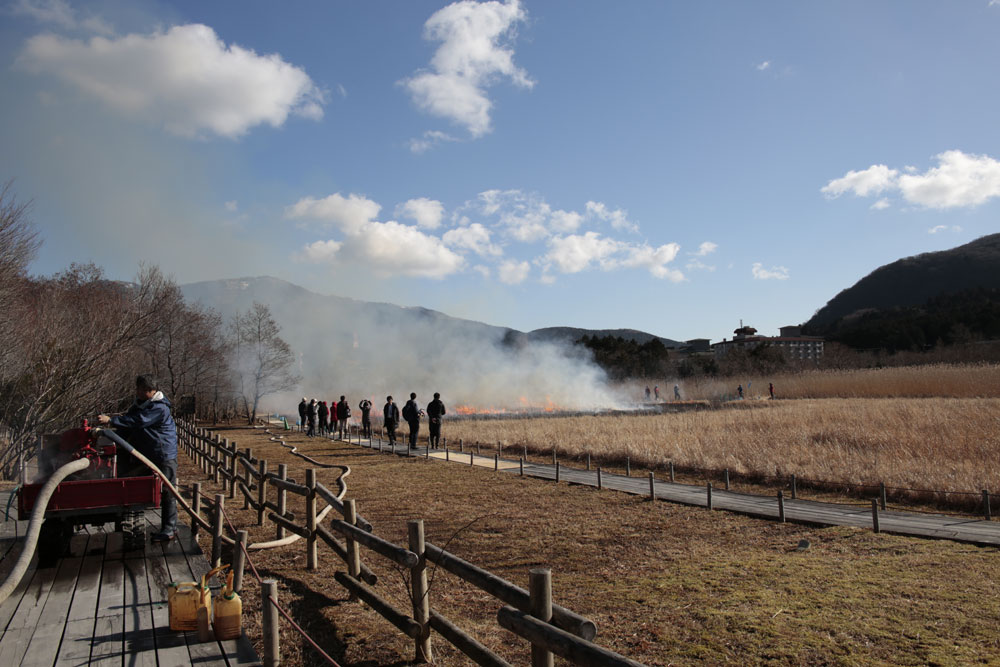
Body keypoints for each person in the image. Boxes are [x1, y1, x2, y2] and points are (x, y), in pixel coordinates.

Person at [98, 374, 178, 542]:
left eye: (143, 390)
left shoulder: (159, 407)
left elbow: (137, 422)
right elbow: (128, 425)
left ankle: (169, 529)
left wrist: (111, 421)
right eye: (138, 389)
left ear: (152, 391)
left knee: (167, 491)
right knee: (136, 482)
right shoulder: (141, 404)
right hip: (148, 453)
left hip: (163, 453)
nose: (139, 392)